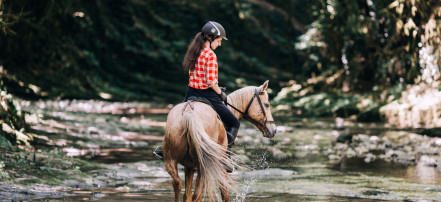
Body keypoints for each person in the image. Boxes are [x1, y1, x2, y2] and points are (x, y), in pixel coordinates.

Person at [154, 21, 240, 162]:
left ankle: (163, 148)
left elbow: (194, 75)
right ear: (210, 38)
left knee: (177, 120)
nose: (219, 44)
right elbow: (211, 81)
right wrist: (221, 94)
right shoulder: (210, 55)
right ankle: (225, 158)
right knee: (234, 123)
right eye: (218, 41)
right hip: (208, 95)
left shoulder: (194, 52)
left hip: (191, 92)